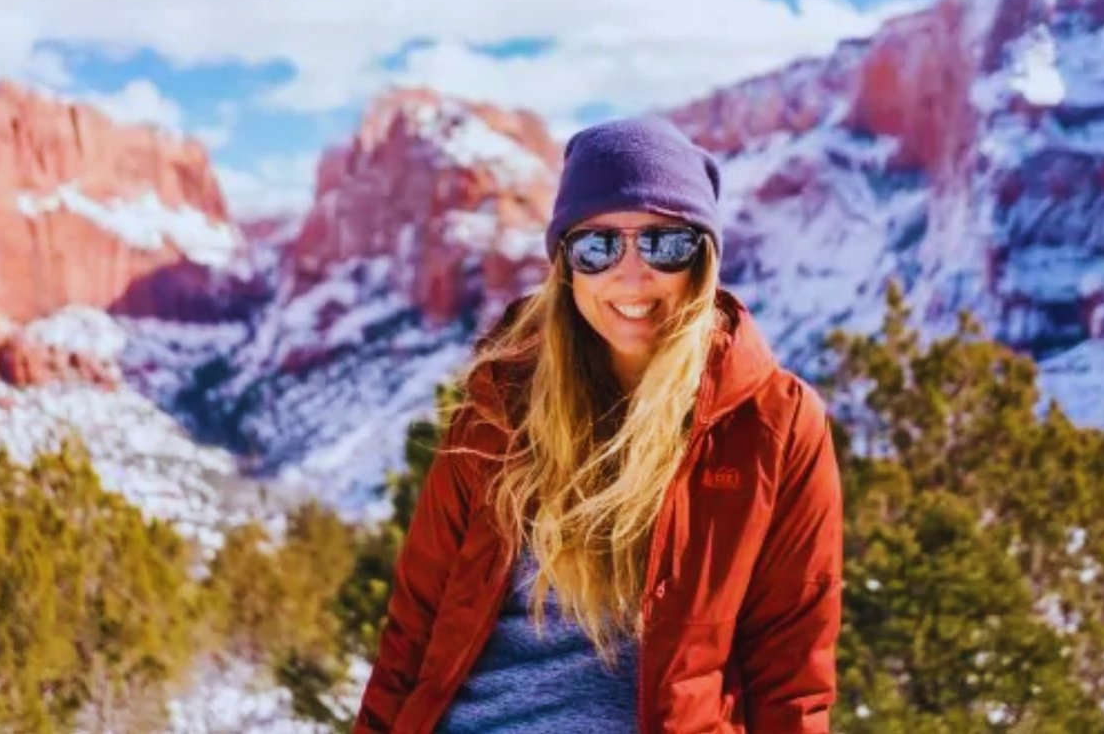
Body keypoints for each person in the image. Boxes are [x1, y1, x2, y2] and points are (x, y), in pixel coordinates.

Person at [354, 115, 843, 733]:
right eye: (598, 246)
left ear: (703, 258)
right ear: (566, 265)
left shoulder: (775, 424)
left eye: (664, 244)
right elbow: (412, 633)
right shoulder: (499, 406)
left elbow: (791, 675)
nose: (631, 275)